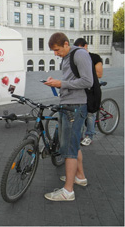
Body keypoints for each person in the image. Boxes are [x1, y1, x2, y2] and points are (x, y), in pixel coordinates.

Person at [43, 32, 92, 201]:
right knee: (72, 144)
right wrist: (56, 82)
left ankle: (68, 191)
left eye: (57, 50)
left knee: (70, 149)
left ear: (65, 44)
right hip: (69, 105)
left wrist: (61, 83)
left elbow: (88, 81)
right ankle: (80, 177)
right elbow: (71, 79)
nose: (55, 54)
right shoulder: (67, 57)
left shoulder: (80, 54)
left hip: (75, 106)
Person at [73, 38, 103, 146]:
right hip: (82, 90)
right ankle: (79, 135)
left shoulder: (94, 57)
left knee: (90, 114)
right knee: (80, 113)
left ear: (86, 46)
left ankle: (89, 135)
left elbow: (99, 73)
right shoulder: (76, 58)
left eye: (80, 49)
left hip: (92, 89)